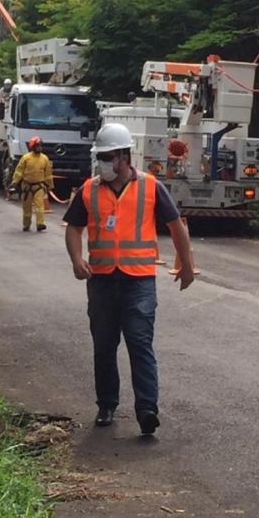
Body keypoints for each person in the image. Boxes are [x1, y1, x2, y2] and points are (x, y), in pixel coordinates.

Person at [63, 123, 195, 436]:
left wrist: (186, 265)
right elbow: (73, 227)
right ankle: (106, 405)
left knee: (140, 344)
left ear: (123, 156)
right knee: (104, 346)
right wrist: (76, 259)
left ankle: (147, 409)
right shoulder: (89, 189)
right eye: (101, 157)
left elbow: (176, 225)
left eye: (108, 156)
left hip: (139, 281)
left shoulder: (151, 187)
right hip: (102, 280)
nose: (103, 163)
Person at [10, 136, 54, 232]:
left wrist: (50, 185)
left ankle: (40, 224)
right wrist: (14, 182)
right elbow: (19, 171)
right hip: (27, 186)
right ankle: (26, 225)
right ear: (33, 147)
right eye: (38, 146)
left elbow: (48, 174)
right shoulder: (26, 158)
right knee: (27, 206)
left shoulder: (44, 159)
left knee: (39, 205)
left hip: (39, 186)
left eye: (40, 146)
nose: (40, 148)